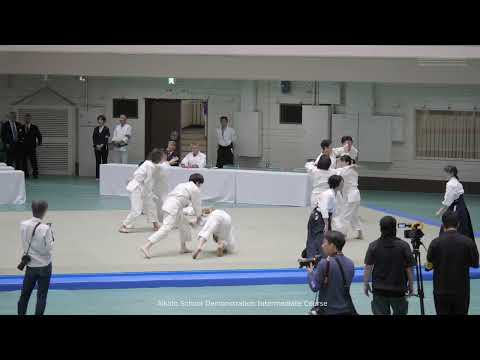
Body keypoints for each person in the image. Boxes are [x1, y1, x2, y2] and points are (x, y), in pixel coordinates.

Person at [427, 211, 479, 315]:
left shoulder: (435, 242)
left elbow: (429, 264)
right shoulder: (468, 242)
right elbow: (475, 264)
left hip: (440, 291)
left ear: (443, 224)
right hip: (461, 291)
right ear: (458, 224)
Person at [140, 173, 204, 258]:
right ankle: (146, 246)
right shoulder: (195, 189)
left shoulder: (182, 185)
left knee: (184, 224)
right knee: (166, 228)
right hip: (173, 207)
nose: (200, 186)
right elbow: (197, 205)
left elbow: (182, 199)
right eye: (200, 184)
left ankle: (183, 247)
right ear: (197, 182)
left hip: (171, 205)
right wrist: (199, 217)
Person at [363, 216, 415, 315]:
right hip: (398, 290)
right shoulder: (404, 246)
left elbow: (368, 267)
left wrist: (366, 284)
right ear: (395, 228)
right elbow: (409, 268)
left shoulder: (373, 245)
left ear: (380, 228)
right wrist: (411, 285)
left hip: (379, 290)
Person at [17, 200, 54, 315]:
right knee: (41, 296)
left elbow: (24, 241)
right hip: (44, 266)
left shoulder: (23, 224)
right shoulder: (45, 229)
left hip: (30, 265)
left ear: (32, 209)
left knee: (24, 295)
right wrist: (52, 236)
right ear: (44, 211)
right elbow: (48, 248)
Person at [307, 231, 356, 315]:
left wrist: (311, 273)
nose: (322, 246)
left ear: (332, 246)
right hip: (346, 310)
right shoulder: (351, 264)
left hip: (327, 310)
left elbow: (314, 287)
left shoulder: (324, 263)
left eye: (324, 243)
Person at [119, 149, 164, 233]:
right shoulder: (150, 166)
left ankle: (155, 224)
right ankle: (123, 225)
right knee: (137, 209)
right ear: (158, 158)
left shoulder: (149, 163)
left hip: (143, 187)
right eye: (162, 157)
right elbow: (148, 181)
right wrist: (150, 192)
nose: (163, 159)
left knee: (151, 205)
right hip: (138, 188)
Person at [303, 175, 344, 259]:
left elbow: (332, 210)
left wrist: (329, 222)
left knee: (325, 238)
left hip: (325, 217)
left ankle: (320, 257)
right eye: (342, 182)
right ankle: (312, 258)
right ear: (337, 184)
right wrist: (326, 223)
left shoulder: (336, 194)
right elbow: (323, 207)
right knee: (318, 238)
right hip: (318, 217)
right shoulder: (328, 194)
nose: (343, 184)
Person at [435, 165, 475, 241]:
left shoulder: (450, 184)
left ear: (452, 173)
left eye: (446, 173)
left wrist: (439, 212)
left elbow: (447, 202)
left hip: (456, 209)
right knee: (464, 229)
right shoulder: (456, 181)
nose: (444, 175)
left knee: (450, 227)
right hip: (462, 208)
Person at [332, 155, 362, 239]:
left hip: (351, 196)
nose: (340, 163)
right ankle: (360, 233)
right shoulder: (351, 170)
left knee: (345, 216)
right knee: (354, 216)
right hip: (355, 196)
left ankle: (343, 234)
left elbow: (335, 172)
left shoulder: (346, 171)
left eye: (342, 161)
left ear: (347, 162)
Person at [21, 113, 42, 179]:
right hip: (23, 147)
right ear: (24, 119)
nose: (27, 119)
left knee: (33, 161)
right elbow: (19, 137)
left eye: (28, 118)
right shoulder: (21, 127)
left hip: (32, 147)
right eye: (26, 118)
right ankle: (26, 174)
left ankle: (35, 174)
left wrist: (39, 143)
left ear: (30, 119)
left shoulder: (34, 127)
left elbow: (39, 136)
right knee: (24, 161)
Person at [92, 115, 110, 180]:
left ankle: (104, 177)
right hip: (97, 148)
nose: (100, 121)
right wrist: (96, 145)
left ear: (104, 121)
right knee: (98, 162)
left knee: (104, 162)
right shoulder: (96, 128)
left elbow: (106, 138)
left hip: (104, 147)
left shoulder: (106, 129)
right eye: (99, 120)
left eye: (101, 120)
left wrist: (102, 145)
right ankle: (98, 176)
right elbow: (94, 138)